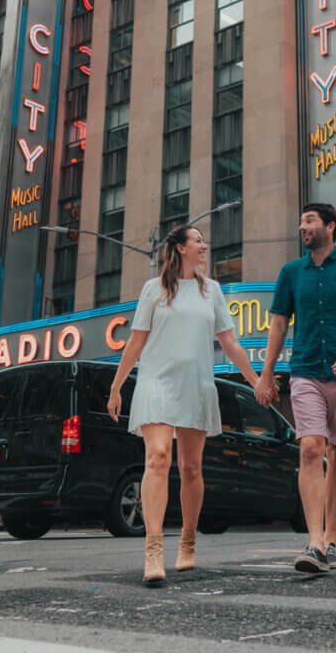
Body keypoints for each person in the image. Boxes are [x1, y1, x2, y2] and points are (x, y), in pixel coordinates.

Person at [107, 224, 266, 587]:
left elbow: (230, 343)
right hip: (156, 381)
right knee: (157, 457)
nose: (204, 246)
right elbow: (135, 343)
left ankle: (188, 538)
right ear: (180, 248)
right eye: (198, 241)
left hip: (195, 384)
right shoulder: (154, 290)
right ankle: (152, 548)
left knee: (191, 468)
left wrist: (256, 381)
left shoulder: (212, 291)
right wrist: (117, 387)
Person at [255, 203, 336, 573]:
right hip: (306, 371)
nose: (301, 226)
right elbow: (277, 325)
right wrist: (266, 374)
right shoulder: (291, 273)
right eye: (300, 221)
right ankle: (314, 543)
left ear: (330, 226)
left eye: (309, 221)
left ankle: (332, 539)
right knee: (311, 447)